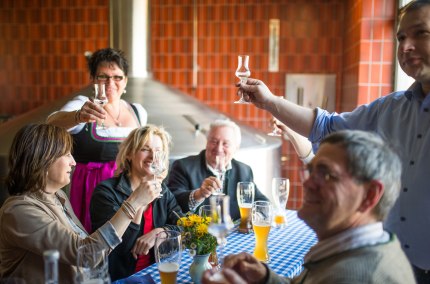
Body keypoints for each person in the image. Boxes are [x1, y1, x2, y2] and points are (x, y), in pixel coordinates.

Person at [237, 2, 430, 282]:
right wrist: (269, 102)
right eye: (401, 37)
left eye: (421, 33)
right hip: (393, 260)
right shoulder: (391, 108)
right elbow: (327, 127)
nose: (406, 46)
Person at [202, 130, 416, 284]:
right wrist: (265, 278)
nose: (307, 183)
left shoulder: (354, 276)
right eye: (311, 170)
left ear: (369, 195)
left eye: (325, 173)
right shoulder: (364, 249)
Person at [0, 124, 159, 283]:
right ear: (43, 158)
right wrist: (134, 202)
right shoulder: (18, 212)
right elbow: (85, 254)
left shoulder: (58, 196)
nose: (74, 162)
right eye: (66, 154)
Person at [47, 47, 148, 232]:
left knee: (127, 242)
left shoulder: (138, 112)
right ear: (93, 80)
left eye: (117, 77)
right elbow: (51, 122)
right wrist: (78, 117)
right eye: (103, 76)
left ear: (125, 81)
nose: (111, 82)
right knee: (95, 241)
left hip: (128, 190)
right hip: (91, 190)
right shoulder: (82, 105)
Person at [90, 125, 185, 281]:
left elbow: (184, 225)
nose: (153, 156)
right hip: (119, 278)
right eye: (145, 149)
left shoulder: (163, 191)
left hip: (156, 274)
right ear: (129, 154)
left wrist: (160, 233)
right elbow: (118, 248)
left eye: (158, 150)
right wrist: (139, 200)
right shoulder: (105, 192)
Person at [167, 119, 268, 220]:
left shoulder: (243, 170)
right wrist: (199, 194)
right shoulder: (183, 166)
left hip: (235, 234)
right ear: (206, 142)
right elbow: (171, 203)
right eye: (214, 142)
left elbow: (263, 203)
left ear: (236, 147)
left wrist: (255, 216)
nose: (219, 149)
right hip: (199, 233)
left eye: (226, 144)